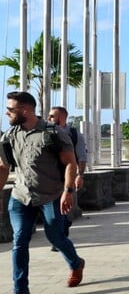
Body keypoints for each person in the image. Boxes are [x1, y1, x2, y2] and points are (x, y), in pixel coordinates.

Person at [0, 91, 85, 292]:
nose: (6, 113)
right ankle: (20, 289)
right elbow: (3, 167)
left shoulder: (54, 133)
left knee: (55, 237)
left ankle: (75, 263)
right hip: (21, 196)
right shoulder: (9, 136)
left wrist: (68, 191)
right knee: (19, 241)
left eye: (10, 109)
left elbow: (70, 164)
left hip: (52, 196)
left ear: (25, 110)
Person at [47, 106, 88, 250]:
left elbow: (82, 156)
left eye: (52, 116)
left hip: (67, 177)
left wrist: (80, 175)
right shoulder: (46, 132)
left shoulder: (74, 134)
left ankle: (62, 234)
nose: (49, 119)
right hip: (49, 178)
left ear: (62, 117)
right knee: (53, 210)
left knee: (66, 209)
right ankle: (58, 238)